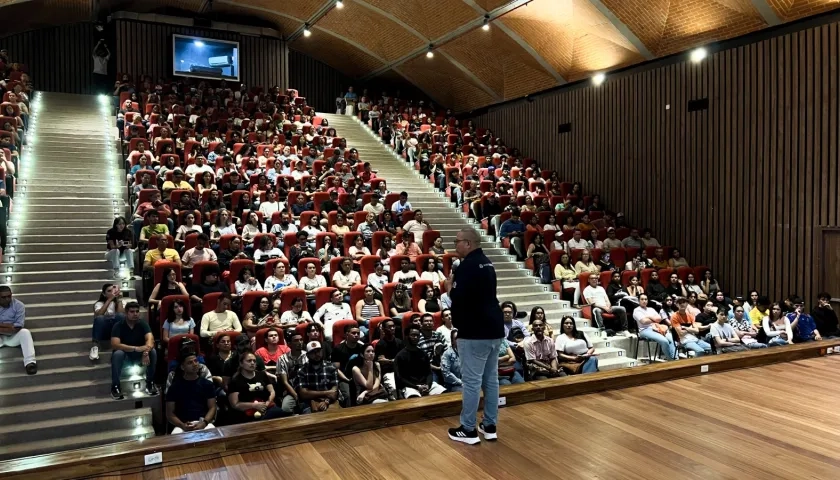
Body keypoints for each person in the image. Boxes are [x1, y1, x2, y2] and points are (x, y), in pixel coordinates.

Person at [446, 227, 504, 445]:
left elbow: (459, 300)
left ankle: (468, 429)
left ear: (468, 243)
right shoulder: (488, 263)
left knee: (471, 381)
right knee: (491, 379)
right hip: (494, 328)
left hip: (475, 331)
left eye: (457, 241)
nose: (455, 245)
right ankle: (489, 426)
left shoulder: (467, 266)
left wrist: (449, 288)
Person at [110, 302, 157, 399]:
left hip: (140, 355)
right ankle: (115, 386)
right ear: (126, 313)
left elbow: (150, 339)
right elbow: (115, 344)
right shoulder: (118, 325)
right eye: (132, 312)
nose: (135, 314)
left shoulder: (143, 324)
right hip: (126, 356)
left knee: (153, 351)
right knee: (118, 354)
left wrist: (146, 351)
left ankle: (150, 382)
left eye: (137, 311)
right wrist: (135, 348)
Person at [166, 350, 217, 434]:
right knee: (175, 437)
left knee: (214, 435)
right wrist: (182, 425)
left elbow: (212, 407)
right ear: (182, 367)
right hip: (183, 425)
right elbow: (170, 413)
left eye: (196, 361)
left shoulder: (207, 384)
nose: (195, 364)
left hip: (203, 422)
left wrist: (204, 423)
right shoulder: (174, 387)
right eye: (190, 363)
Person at [228, 351, 285, 422]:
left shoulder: (262, 375)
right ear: (241, 363)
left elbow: (272, 391)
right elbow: (235, 404)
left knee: (280, 413)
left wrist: (266, 404)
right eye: (249, 361)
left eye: (254, 361)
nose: (252, 363)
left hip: (266, 406)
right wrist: (254, 406)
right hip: (247, 410)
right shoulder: (235, 381)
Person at [395, 325, 447, 399]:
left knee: (444, 393)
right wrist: (416, 387)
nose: (416, 337)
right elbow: (400, 378)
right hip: (410, 387)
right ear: (406, 336)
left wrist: (428, 385)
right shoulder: (400, 356)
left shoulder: (423, 354)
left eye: (417, 335)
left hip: (426, 385)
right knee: (414, 398)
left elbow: (429, 373)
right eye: (413, 335)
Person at [0, 286, 36, 374]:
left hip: (13, 337)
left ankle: (30, 363)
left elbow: (17, 327)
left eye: (9, 296)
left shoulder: (19, 305)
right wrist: (9, 326)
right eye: (3, 297)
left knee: (25, 332)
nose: (7, 299)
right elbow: (13, 326)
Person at [299, 341, 341, 412]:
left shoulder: (331, 368)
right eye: (313, 352)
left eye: (318, 351)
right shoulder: (302, 370)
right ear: (307, 355)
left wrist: (326, 402)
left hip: (330, 402)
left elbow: (334, 392)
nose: (317, 354)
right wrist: (327, 393)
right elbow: (304, 394)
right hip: (309, 403)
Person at [633, 294, 677, 360]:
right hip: (644, 330)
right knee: (664, 341)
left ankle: (675, 358)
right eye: (642, 299)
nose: (644, 301)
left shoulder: (651, 309)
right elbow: (644, 321)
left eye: (645, 299)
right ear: (638, 301)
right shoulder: (637, 310)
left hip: (656, 328)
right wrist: (654, 319)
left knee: (672, 339)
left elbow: (659, 319)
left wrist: (649, 317)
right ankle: (671, 360)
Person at [332, 324, 366, 406]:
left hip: (360, 377)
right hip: (345, 378)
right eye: (353, 333)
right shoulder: (338, 349)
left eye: (358, 333)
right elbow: (336, 369)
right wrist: (347, 379)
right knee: (348, 396)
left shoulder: (362, 348)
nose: (356, 335)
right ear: (346, 334)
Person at [277, 331, 308, 414]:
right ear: (289, 344)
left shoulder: (308, 355)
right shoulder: (282, 359)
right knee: (285, 409)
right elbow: (285, 382)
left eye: (301, 340)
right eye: (296, 340)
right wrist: (296, 395)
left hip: (308, 389)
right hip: (292, 390)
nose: (300, 342)